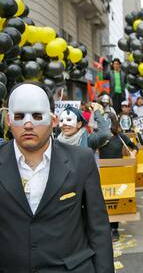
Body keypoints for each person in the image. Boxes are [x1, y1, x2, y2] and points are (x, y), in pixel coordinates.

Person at [0, 82, 114, 272]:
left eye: (37, 116)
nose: (28, 124)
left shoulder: (81, 161)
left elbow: (99, 229)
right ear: (9, 121)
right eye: (20, 116)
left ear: (53, 121)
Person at [98, 113, 138, 241]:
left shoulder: (120, 137)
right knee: (103, 202)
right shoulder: (99, 138)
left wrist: (133, 154)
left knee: (115, 201)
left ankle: (114, 229)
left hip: (117, 174)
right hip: (103, 173)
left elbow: (134, 147)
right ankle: (105, 228)